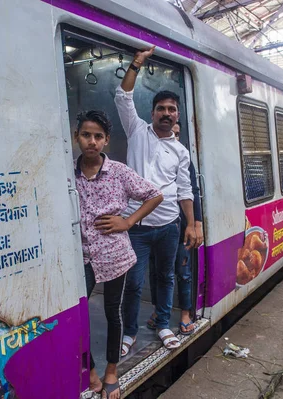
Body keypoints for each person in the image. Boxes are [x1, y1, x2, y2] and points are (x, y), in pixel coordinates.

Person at [115, 46, 200, 355]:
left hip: (168, 226)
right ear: (152, 113)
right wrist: (136, 64)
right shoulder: (136, 130)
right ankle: (129, 333)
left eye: (171, 110)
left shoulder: (181, 151)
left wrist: (191, 224)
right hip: (135, 226)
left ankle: (164, 324)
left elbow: (185, 190)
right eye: (161, 108)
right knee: (133, 283)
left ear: (177, 115)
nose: (166, 113)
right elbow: (122, 98)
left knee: (165, 278)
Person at [74, 110, 163, 398]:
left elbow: (154, 195)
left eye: (98, 136)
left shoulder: (119, 172)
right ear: (77, 138)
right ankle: (90, 371)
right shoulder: (67, 173)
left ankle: (111, 370)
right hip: (81, 258)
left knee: (113, 313)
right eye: (86, 135)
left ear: (106, 141)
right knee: (78, 317)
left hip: (115, 256)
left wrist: (128, 221)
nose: (92, 141)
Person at [147, 121, 203, 336]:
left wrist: (196, 223)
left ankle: (185, 314)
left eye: (178, 135)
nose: (174, 138)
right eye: (172, 134)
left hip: (180, 229)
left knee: (183, 272)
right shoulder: (152, 160)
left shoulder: (184, 159)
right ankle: (159, 311)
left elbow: (192, 191)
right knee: (157, 271)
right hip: (157, 224)